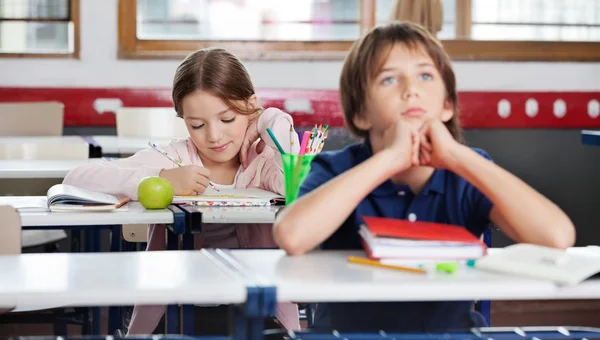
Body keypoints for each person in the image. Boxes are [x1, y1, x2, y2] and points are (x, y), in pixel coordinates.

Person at [273, 21, 575, 333]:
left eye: (425, 76)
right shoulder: (336, 169)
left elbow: (555, 237)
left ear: (447, 105)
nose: (411, 90)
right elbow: (293, 236)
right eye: (389, 79)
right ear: (361, 112)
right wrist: (390, 159)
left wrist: (457, 156)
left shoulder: (467, 170)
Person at [64, 47, 300, 335]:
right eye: (197, 125)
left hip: (259, 310)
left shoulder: (264, 162)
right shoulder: (175, 159)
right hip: (178, 309)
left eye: (227, 120)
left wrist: (276, 122)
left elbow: (296, 187)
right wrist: (162, 178)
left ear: (251, 107)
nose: (214, 136)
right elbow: (76, 179)